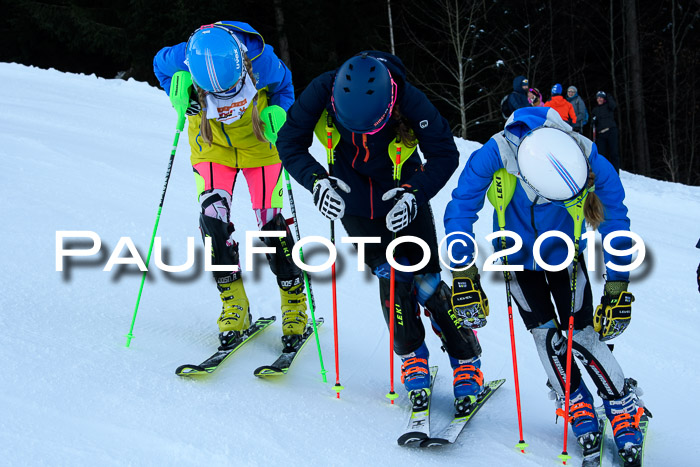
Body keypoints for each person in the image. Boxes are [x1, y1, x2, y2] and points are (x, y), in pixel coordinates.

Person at [276, 52, 484, 406]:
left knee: (426, 282)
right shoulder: (322, 89)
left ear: (389, 108)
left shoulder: (408, 97)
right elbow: (289, 142)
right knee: (392, 280)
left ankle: (466, 357)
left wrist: (415, 195)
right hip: (352, 202)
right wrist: (317, 183)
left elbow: (445, 154)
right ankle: (412, 356)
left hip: (402, 197)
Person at [443, 106, 647, 464]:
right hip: (517, 257)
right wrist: (463, 274)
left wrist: (617, 286)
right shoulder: (496, 151)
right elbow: (461, 208)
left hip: (564, 254)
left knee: (581, 335)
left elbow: (616, 222)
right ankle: (577, 401)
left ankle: (621, 405)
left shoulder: (586, 154)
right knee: (545, 336)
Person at [153, 21, 309, 347]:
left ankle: (294, 302)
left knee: (270, 223)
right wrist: (176, 91)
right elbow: (160, 66)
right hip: (210, 147)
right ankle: (233, 302)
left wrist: (281, 111)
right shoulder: (183, 56)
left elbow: (284, 87)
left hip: (260, 147)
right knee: (212, 219)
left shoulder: (262, 60)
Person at [592, 91, 620, 173]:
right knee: (601, 154)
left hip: (611, 131)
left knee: (613, 153)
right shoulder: (595, 110)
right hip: (601, 133)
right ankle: (603, 171)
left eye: (601, 97)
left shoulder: (608, 106)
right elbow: (594, 123)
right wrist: (593, 121)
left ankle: (615, 172)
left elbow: (613, 106)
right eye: (598, 98)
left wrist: (608, 96)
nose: (599, 99)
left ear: (604, 99)